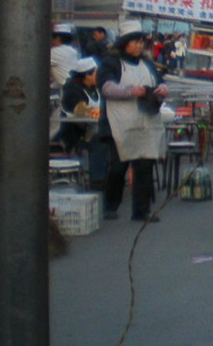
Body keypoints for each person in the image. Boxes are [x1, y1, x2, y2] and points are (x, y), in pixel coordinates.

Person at [99, 20, 168, 222]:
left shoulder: (147, 63)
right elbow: (106, 88)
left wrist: (162, 90)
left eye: (141, 42)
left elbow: (161, 83)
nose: (139, 46)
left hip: (145, 121)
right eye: (134, 42)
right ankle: (110, 206)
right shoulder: (111, 62)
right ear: (124, 43)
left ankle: (141, 211)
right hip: (118, 123)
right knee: (119, 166)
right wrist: (130, 91)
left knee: (145, 165)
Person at [56, 57, 101, 154]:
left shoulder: (95, 88)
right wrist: (101, 113)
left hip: (95, 130)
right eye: (96, 73)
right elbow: (80, 110)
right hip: (76, 134)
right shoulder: (72, 90)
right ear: (87, 75)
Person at [50, 22, 79, 89]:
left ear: (58, 38)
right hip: (72, 85)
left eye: (53, 37)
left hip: (63, 87)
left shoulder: (55, 52)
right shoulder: (73, 51)